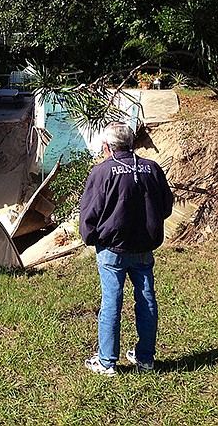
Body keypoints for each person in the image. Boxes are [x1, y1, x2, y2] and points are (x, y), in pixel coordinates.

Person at [80, 121, 174, 376]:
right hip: (144, 248)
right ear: (131, 144)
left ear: (107, 147)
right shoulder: (152, 168)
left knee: (112, 301)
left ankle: (107, 361)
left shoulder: (101, 172)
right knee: (146, 299)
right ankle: (145, 358)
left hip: (112, 249)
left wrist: (90, 238)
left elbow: (90, 211)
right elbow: (166, 206)